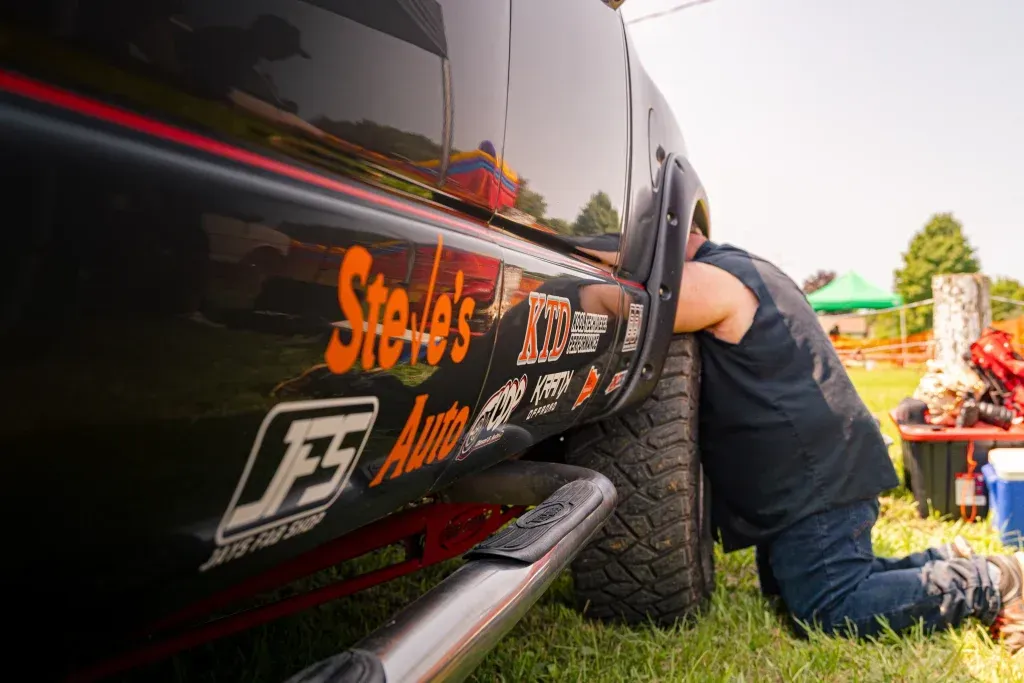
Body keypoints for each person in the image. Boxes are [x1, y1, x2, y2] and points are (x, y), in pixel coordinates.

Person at [672, 226, 1024, 653]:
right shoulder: (744, 266)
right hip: (814, 467)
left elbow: (634, 306)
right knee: (804, 587)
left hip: (815, 476)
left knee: (830, 608)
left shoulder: (713, 278)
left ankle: (992, 581)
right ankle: (945, 559)